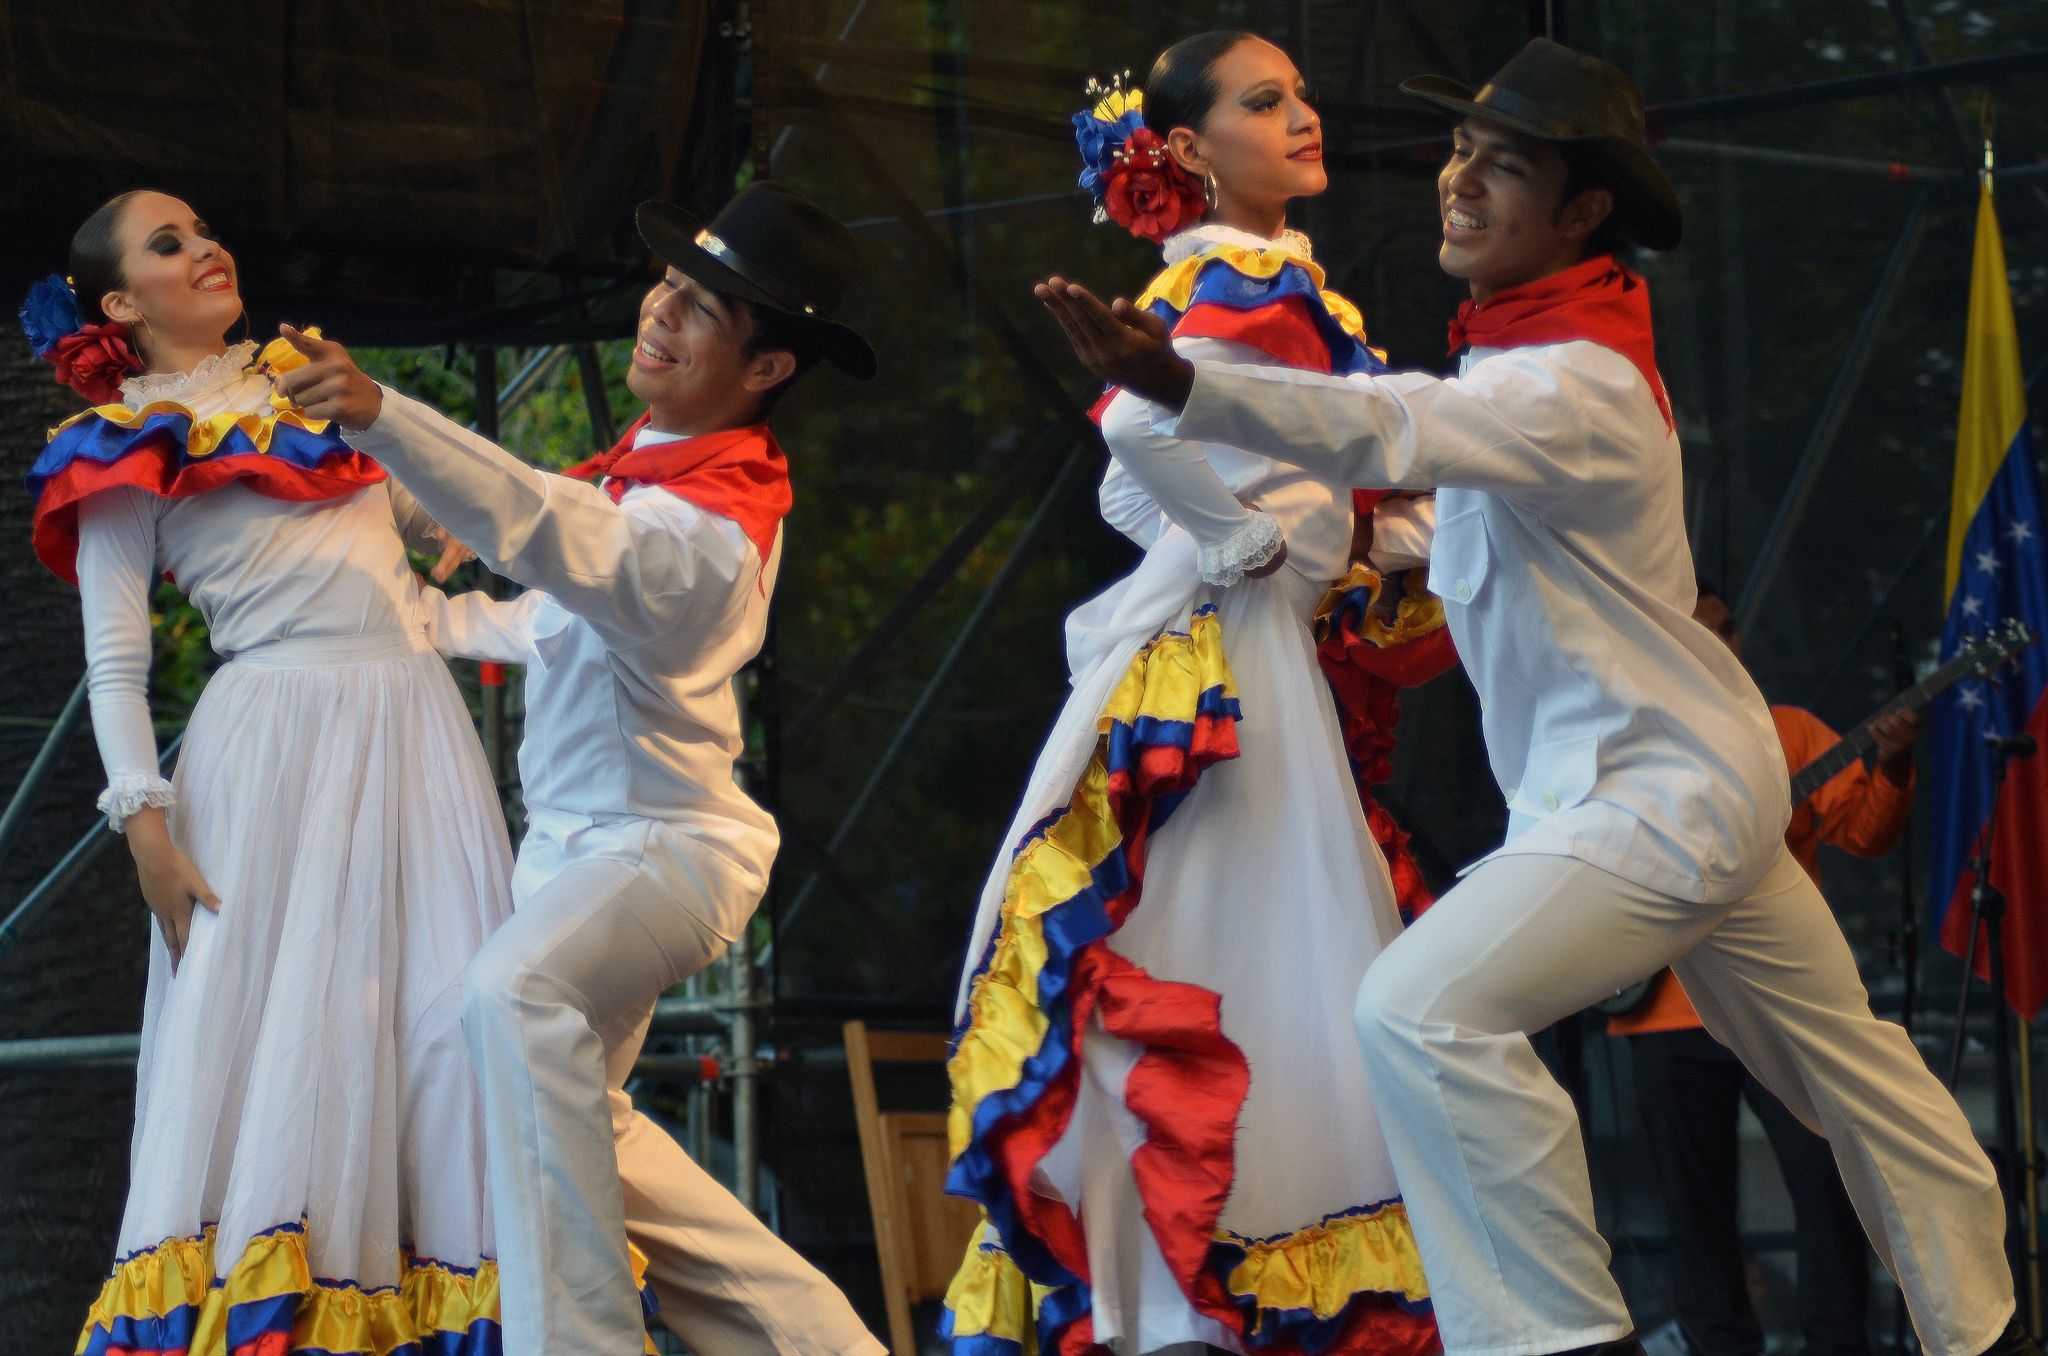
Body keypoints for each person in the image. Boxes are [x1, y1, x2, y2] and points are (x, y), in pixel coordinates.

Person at [1034, 36, 2034, 1356]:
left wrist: (1180, 382)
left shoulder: (1575, 381)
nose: (1460, 179)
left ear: (1583, 212)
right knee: (1850, 1070)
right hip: (1690, 775)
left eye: (1503, 166)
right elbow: (1433, 496)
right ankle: (1990, 1328)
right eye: (1461, 150)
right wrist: (1309, 540)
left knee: (1417, 1010)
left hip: (1649, 800)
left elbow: (1400, 427)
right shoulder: (1537, 362)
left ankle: (1561, 1337)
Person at [273, 182, 886, 1356]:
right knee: (573, 1119)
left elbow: (555, 533)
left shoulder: (708, 531)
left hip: (663, 853)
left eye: (703, 309)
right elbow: (538, 616)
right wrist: (414, 613)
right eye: (670, 283)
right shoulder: (641, 481)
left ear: (763, 372)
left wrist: (386, 417)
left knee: (511, 995)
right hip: (575, 860)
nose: (661, 311)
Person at [941, 33, 1446, 1356]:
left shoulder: (1256, 278)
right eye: (1264, 101)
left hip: (1241, 644)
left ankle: (1171, 1300)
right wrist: (1241, 547)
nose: (1303, 116)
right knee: (1255, 953)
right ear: (1181, 149)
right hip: (1235, 659)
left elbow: (1151, 476)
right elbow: (1131, 436)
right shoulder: (1245, 271)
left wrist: (1313, 536)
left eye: (1302, 92)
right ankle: (1199, 1303)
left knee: (1212, 947)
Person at [22, 191, 513, 1352]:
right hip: (271, 743)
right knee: (286, 1025)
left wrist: (441, 509)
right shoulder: (124, 438)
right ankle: (291, 1310)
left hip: (410, 719)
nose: (205, 249)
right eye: (168, 243)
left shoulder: (314, 380)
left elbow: (420, 505)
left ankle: (449, 1300)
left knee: (443, 1016)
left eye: (203, 230)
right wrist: (144, 823)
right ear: (120, 302)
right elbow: (114, 658)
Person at [1612, 582, 1919, 1356]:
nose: (1720, 645)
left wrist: (1895, 762)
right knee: (1695, 1211)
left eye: (1728, 631)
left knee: (1828, 1187)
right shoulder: (1626, 743)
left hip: (1780, 1008)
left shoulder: (1790, 733)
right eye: (1699, 633)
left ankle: (1839, 1344)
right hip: (1664, 1007)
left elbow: (1867, 835)